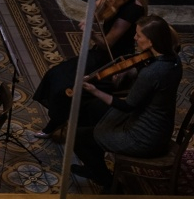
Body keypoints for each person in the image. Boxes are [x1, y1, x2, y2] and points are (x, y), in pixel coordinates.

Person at [33, 0, 149, 138]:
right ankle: (59, 119)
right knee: (55, 73)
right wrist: (95, 12)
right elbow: (96, 7)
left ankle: (59, 123)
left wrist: (92, 33)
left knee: (67, 86)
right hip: (99, 54)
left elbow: (107, 43)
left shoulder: (134, 8)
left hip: (113, 60)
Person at [72, 16, 183, 188]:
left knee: (78, 137)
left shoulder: (153, 72)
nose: (134, 38)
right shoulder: (173, 59)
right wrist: (128, 71)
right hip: (159, 125)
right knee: (93, 108)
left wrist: (94, 90)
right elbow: (146, 69)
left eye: (139, 35)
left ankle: (108, 183)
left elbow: (127, 106)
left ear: (151, 41)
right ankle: (94, 163)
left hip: (144, 137)